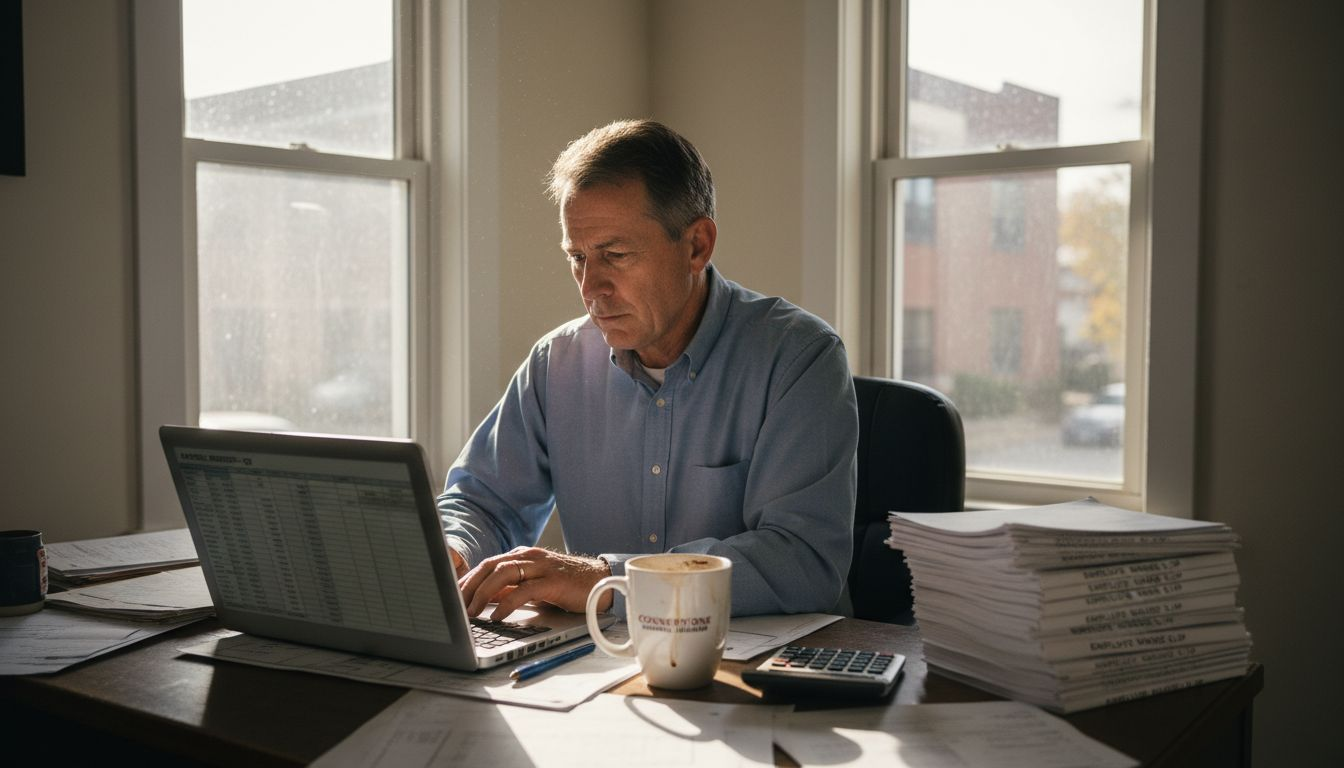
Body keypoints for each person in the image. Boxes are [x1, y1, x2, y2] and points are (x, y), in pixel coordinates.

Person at [439, 119, 858, 621]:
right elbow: (484, 502)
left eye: (615, 255)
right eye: (577, 257)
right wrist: (454, 551)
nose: (591, 287)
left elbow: (800, 560)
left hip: (768, 675)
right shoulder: (558, 363)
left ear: (697, 245)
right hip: (600, 666)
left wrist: (607, 580)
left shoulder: (798, 357)